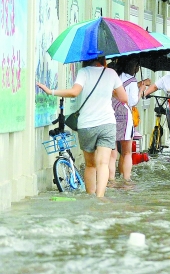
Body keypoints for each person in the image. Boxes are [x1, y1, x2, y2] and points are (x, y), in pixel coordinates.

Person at [36, 56, 128, 198]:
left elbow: (74, 92)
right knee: (103, 163)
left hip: (87, 125)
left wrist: (51, 92)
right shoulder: (111, 73)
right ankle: (100, 197)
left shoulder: (84, 72)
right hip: (107, 123)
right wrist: (111, 90)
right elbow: (124, 98)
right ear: (103, 58)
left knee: (90, 165)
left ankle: (91, 196)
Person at [108, 56, 149, 182]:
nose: (137, 68)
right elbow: (132, 101)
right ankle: (126, 181)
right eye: (136, 65)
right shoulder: (131, 80)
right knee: (126, 153)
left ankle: (110, 180)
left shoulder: (110, 76)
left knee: (112, 153)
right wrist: (141, 89)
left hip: (108, 115)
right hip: (124, 117)